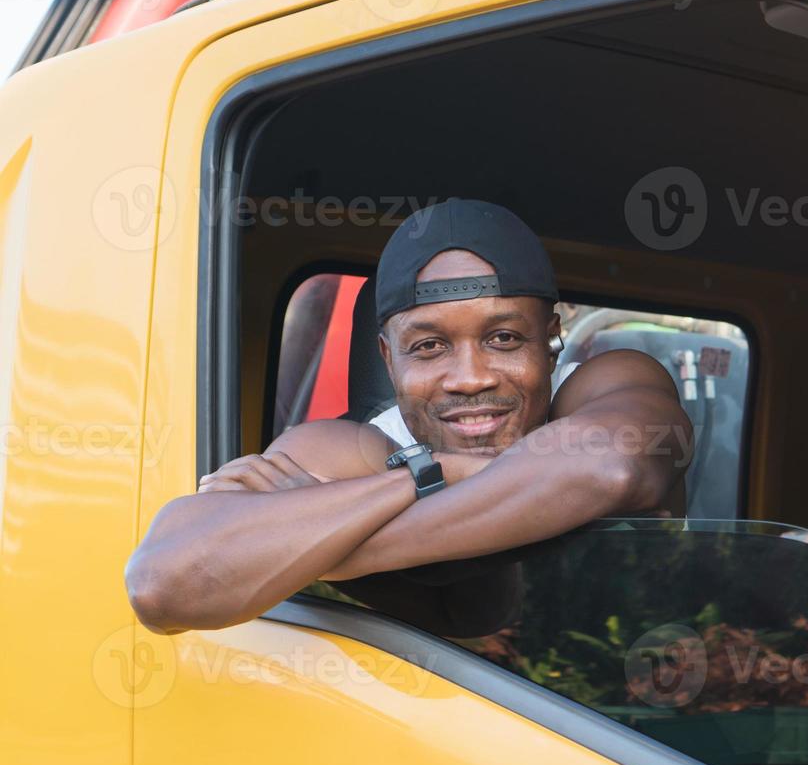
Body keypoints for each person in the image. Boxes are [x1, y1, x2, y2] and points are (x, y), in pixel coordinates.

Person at [126, 199, 692, 635]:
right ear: (387, 359)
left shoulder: (607, 381)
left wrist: (325, 552)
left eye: (503, 338)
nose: (471, 378)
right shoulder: (356, 448)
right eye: (429, 347)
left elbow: (610, 465)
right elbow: (164, 583)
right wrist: (422, 477)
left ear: (551, 341)